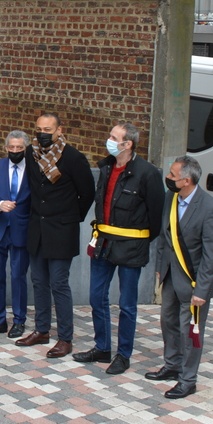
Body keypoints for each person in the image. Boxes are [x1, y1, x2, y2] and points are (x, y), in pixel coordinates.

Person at [73, 122, 164, 374]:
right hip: (103, 243)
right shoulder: (107, 167)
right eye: (110, 135)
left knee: (127, 304)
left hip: (131, 246)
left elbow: (156, 217)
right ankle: (102, 348)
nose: (108, 140)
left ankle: (123, 355)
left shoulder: (148, 173)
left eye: (114, 137)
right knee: (96, 297)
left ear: (128, 144)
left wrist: (137, 239)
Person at [15, 112, 95, 358]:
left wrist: (69, 218)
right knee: (38, 281)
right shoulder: (31, 153)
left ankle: (65, 338)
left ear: (59, 130)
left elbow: (87, 194)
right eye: (39, 128)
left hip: (62, 230)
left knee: (59, 284)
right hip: (37, 229)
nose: (43, 133)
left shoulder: (73, 158)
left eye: (48, 129)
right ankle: (41, 330)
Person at [147, 155, 213, 399]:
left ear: (186, 181)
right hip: (170, 275)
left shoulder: (209, 208)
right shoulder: (172, 197)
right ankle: (172, 365)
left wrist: (202, 290)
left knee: (189, 331)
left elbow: (211, 255)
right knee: (167, 322)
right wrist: (160, 267)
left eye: (172, 175)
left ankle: (188, 380)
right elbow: (164, 237)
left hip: (193, 282)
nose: (167, 178)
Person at [0, 130, 31, 338]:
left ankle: (19, 321)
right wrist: (0, 204)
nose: (15, 151)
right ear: (6, 147)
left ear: (25, 149)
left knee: (18, 276)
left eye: (19, 148)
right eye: (12, 147)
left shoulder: (33, 169)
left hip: (21, 230)